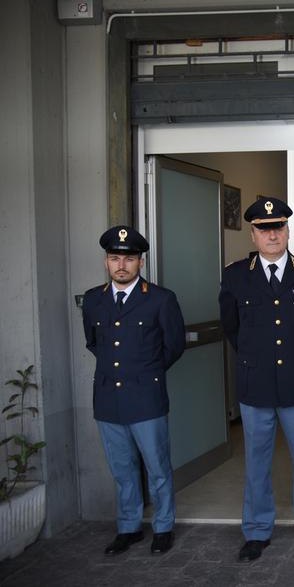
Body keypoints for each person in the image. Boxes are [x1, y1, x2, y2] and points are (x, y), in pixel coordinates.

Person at [218, 197, 294, 562]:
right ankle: (256, 530)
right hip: (256, 384)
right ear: (252, 234)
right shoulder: (236, 276)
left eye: (278, 228)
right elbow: (232, 328)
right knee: (256, 462)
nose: (272, 235)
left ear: (287, 230)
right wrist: (259, 358)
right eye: (264, 229)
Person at [81, 225, 186, 556]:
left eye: (128, 259)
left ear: (140, 262)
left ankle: (163, 527)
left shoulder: (160, 299)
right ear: (106, 262)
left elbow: (174, 345)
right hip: (107, 398)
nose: (121, 265)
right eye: (115, 258)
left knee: (157, 468)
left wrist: (145, 373)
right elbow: (94, 343)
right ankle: (128, 527)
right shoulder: (94, 300)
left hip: (146, 397)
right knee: (122, 469)